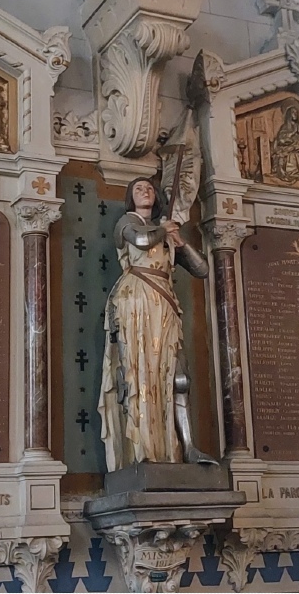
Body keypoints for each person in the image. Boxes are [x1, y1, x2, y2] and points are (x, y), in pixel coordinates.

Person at [98, 177, 214, 471]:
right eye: (138, 188)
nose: (145, 191)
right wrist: (164, 228)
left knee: (178, 378)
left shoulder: (164, 232)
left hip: (165, 304)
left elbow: (201, 269)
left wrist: (180, 241)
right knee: (140, 374)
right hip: (136, 300)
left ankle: (186, 447)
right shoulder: (127, 222)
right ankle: (142, 450)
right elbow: (140, 241)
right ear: (130, 198)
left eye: (149, 188)